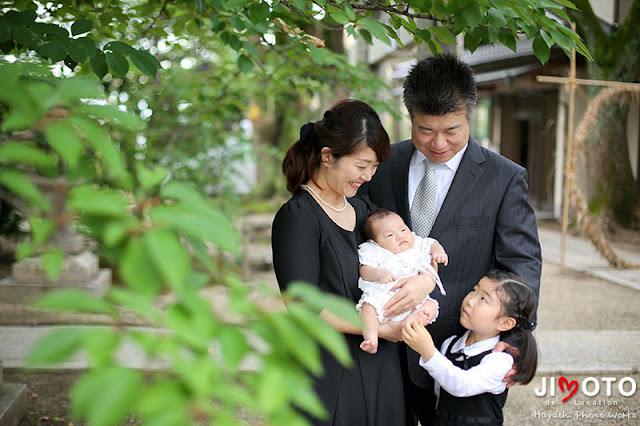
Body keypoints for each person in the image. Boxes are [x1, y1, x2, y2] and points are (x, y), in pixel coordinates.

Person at [356, 53, 542, 425]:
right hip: (385, 353)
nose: (439, 143)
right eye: (425, 130)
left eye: (452, 130)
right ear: (410, 117)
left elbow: (521, 267)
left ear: (469, 116)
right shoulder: (383, 168)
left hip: (460, 352)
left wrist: (516, 338)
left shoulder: (504, 178)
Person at [272, 99, 435, 425]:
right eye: (362, 166)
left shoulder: (363, 211)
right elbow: (303, 306)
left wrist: (424, 281)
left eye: (374, 167)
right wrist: (378, 328)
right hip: (330, 368)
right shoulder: (298, 217)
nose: (369, 176)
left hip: (382, 364)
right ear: (328, 156)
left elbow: (410, 252)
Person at [402, 270, 538, 425]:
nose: (470, 300)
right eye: (474, 290)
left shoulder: (499, 360)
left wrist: (428, 352)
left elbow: (462, 385)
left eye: (484, 299)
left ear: (505, 323)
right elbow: (440, 392)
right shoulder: (451, 345)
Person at [357, 208, 448, 354]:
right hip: (385, 295)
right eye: (390, 235)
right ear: (375, 242)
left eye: (403, 229)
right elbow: (365, 270)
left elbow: (432, 244)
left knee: (431, 305)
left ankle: (412, 320)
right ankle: (371, 338)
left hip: (417, 295)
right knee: (368, 307)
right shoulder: (373, 250)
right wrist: (379, 274)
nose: (400, 236)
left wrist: (438, 252)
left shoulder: (416, 242)